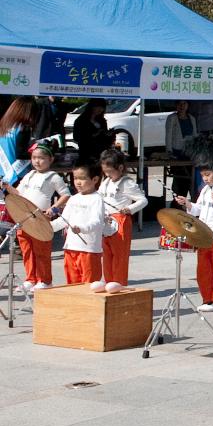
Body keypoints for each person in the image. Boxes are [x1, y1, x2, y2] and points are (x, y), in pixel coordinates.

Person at [176, 167, 213, 312]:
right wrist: (187, 203)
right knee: (203, 268)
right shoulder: (205, 190)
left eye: (207, 175)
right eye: (203, 176)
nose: (205, 179)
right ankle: (207, 297)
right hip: (204, 233)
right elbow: (198, 209)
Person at [13, 141, 70, 288]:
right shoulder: (29, 175)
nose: (37, 161)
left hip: (40, 217)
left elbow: (65, 195)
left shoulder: (53, 177)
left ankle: (44, 280)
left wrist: (54, 208)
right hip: (24, 217)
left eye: (41, 158)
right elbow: (18, 193)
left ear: (50, 159)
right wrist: (6, 187)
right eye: (34, 158)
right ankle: (30, 278)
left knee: (41, 250)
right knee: (26, 249)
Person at [54, 162, 112, 288]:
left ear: (95, 179)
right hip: (70, 247)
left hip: (89, 250)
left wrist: (82, 228)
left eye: (83, 178)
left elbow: (97, 221)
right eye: (75, 178)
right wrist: (46, 227)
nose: (78, 182)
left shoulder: (97, 199)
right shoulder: (73, 198)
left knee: (89, 285)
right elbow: (63, 220)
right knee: (72, 284)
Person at [98, 148, 147, 290]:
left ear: (120, 168)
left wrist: (129, 209)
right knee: (106, 255)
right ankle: (108, 282)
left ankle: (119, 283)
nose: (107, 175)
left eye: (110, 172)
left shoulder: (127, 183)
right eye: (105, 172)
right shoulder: (106, 182)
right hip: (106, 220)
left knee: (119, 256)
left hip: (120, 220)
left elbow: (143, 200)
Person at [164, 99, 196, 203]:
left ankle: (185, 202)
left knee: (189, 179)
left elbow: (195, 136)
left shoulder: (192, 118)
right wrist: (169, 151)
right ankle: (176, 202)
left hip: (189, 153)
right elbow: (168, 135)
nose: (182, 106)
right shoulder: (172, 118)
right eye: (179, 104)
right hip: (176, 153)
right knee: (178, 180)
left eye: (184, 104)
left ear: (188, 105)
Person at [0, 98, 37, 186]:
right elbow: (21, 154)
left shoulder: (3, 125)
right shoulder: (23, 128)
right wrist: (36, 151)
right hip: (18, 174)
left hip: (3, 173)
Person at [73, 99, 113, 165]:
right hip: (86, 154)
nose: (100, 109)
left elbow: (105, 137)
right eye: (98, 107)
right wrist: (93, 135)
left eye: (102, 108)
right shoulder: (81, 120)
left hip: (101, 154)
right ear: (92, 107)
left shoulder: (102, 120)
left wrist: (109, 135)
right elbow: (77, 137)